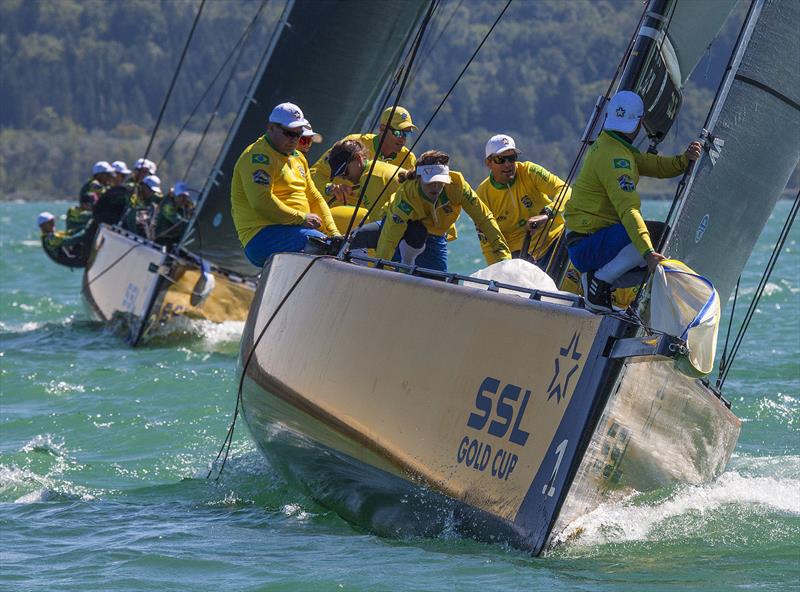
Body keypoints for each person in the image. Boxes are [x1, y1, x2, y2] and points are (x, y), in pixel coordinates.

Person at [564, 91, 702, 311]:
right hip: (587, 245)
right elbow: (629, 210)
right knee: (655, 237)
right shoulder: (616, 158)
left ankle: (599, 280)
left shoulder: (611, 143)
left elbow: (655, 165)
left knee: (658, 236)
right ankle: (599, 282)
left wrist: (684, 160)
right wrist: (648, 254)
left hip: (586, 241)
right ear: (639, 122)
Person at [354, 150, 511, 272]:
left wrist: (503, 254)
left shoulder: (457, 186)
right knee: (358, 239)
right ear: (419, 178)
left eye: (440, 182)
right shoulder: (407, 196)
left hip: (435, 236)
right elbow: (389, 238)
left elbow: (484, 218)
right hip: (401, 230)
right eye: (431, 182)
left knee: (438, 284)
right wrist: (380, 271)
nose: (436, 187)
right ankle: (403, 264)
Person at [230, 102, 340, 268]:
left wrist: (334, 233)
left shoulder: (298, 157)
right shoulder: (258, 157)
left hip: (293, 231)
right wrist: (301, 218)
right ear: (271, 128)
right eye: (289, 133)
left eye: (299, 134)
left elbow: (314, 198)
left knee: (339, 246)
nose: (294, 140)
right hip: (261, 236)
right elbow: (261, 202)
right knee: (325, 247)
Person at [476, 134, 571, 268]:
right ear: (488, 163)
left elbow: (564, 189)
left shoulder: (529, 171)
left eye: (512, 158)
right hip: (521, 260)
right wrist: (499, 272)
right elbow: (488, 244)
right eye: (500, 159)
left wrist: (548, 213)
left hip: (555, 241)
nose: (508, 164)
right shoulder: (482, 195)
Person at [309, 106, 418, 199]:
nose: (403, 139)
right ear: (382, 129)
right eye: (398, 133)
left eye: (407, 134)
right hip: (338, 207)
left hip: (373, 217)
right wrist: (330, 188)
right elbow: (313, 173)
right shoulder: (353, 143)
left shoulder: (408, 159)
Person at [326, 139, 405, 232]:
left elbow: (378, 225)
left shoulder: (370, 178)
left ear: (358, 158)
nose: (344, 177)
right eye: (339, 175)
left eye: (344, 171)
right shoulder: (373, 169)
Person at [154, 181, 196, 248]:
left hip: (172, 242)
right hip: (159, 241)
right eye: (180, 196)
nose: (183, 199)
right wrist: (189, 217)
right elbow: (179, 222)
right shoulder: (167, 206)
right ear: (174, 195)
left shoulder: (182, 209)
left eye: (185, 196)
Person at [123, 174, 161, 239]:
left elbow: (150, 226)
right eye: (149, 189)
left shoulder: (151, 206)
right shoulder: (133, 195)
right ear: (143, 185)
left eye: (153, 191)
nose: (151, 193)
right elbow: (131, 214)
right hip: (125, 230)